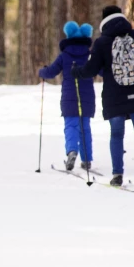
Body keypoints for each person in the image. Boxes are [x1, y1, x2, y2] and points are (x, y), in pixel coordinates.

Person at [71, 5, 134, 187]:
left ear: (104, 21)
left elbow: (91, 69)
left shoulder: (102, 42)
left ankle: (117, 174)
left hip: (115, 95)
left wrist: (76, 72)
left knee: (117, 135)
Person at [40, 21, 95, 171]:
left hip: (69, 96)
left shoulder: (65, 55)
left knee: (71, 125)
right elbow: (100, 70)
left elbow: (51, 71)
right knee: (85, 128)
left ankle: (72, 151)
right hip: (87, 97)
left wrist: (42, 72)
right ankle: (87, 160)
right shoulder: (89, 55)